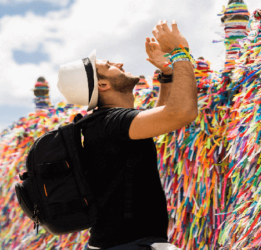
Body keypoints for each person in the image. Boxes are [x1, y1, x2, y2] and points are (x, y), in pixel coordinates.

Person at [57, 20, 197, 250]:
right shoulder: (111, 123)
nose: (120, 62)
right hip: (129, 244)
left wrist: (167, 73)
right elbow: (182, 113)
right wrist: (180, 53)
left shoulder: (105, 123)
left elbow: (158, 121)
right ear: (102, 84)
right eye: (109, 65)